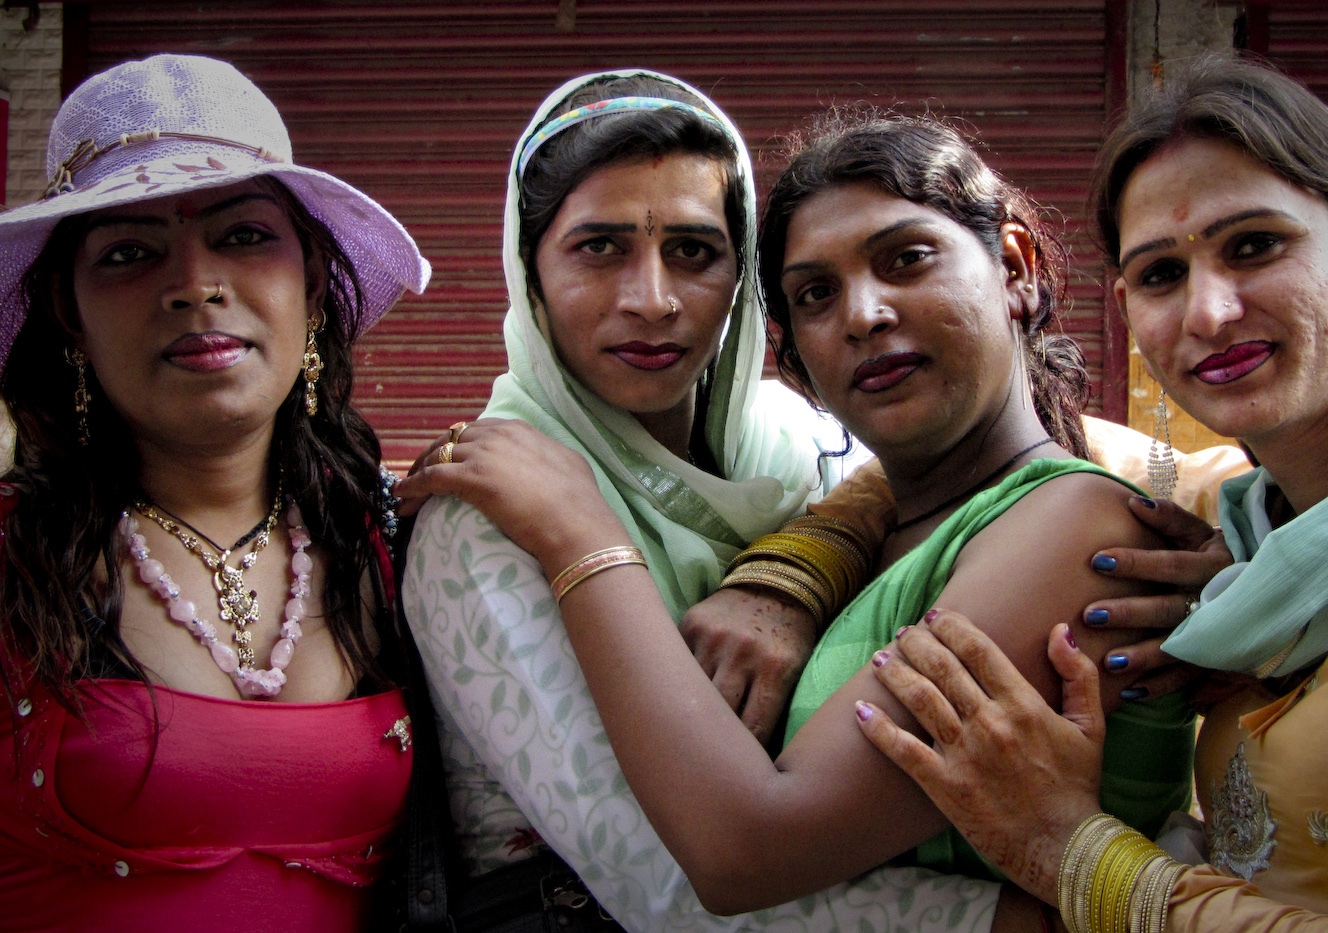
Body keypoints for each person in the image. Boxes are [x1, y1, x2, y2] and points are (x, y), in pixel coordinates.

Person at [400, 102, 1200, 928]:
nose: (651, 297)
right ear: (526, 272)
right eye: (599, 246)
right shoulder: (490, 514)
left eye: (694, 250)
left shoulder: (807, 462)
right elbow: (659, 873)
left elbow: (745, 848)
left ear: (1015, 265)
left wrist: (598, 538)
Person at [855, 55, 1328, 933]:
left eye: (1254, 245)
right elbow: (1054, 451)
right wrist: (798, 558)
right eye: (1162, 274)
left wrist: (1072, 848)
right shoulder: (1240, 526)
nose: (1210, 313)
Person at [0, 54, 431, 932]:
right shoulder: (14, 559)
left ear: (310, 282)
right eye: (129, 251)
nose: (195, 284)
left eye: (242, 235)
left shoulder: (401, 543)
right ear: (66, 312)